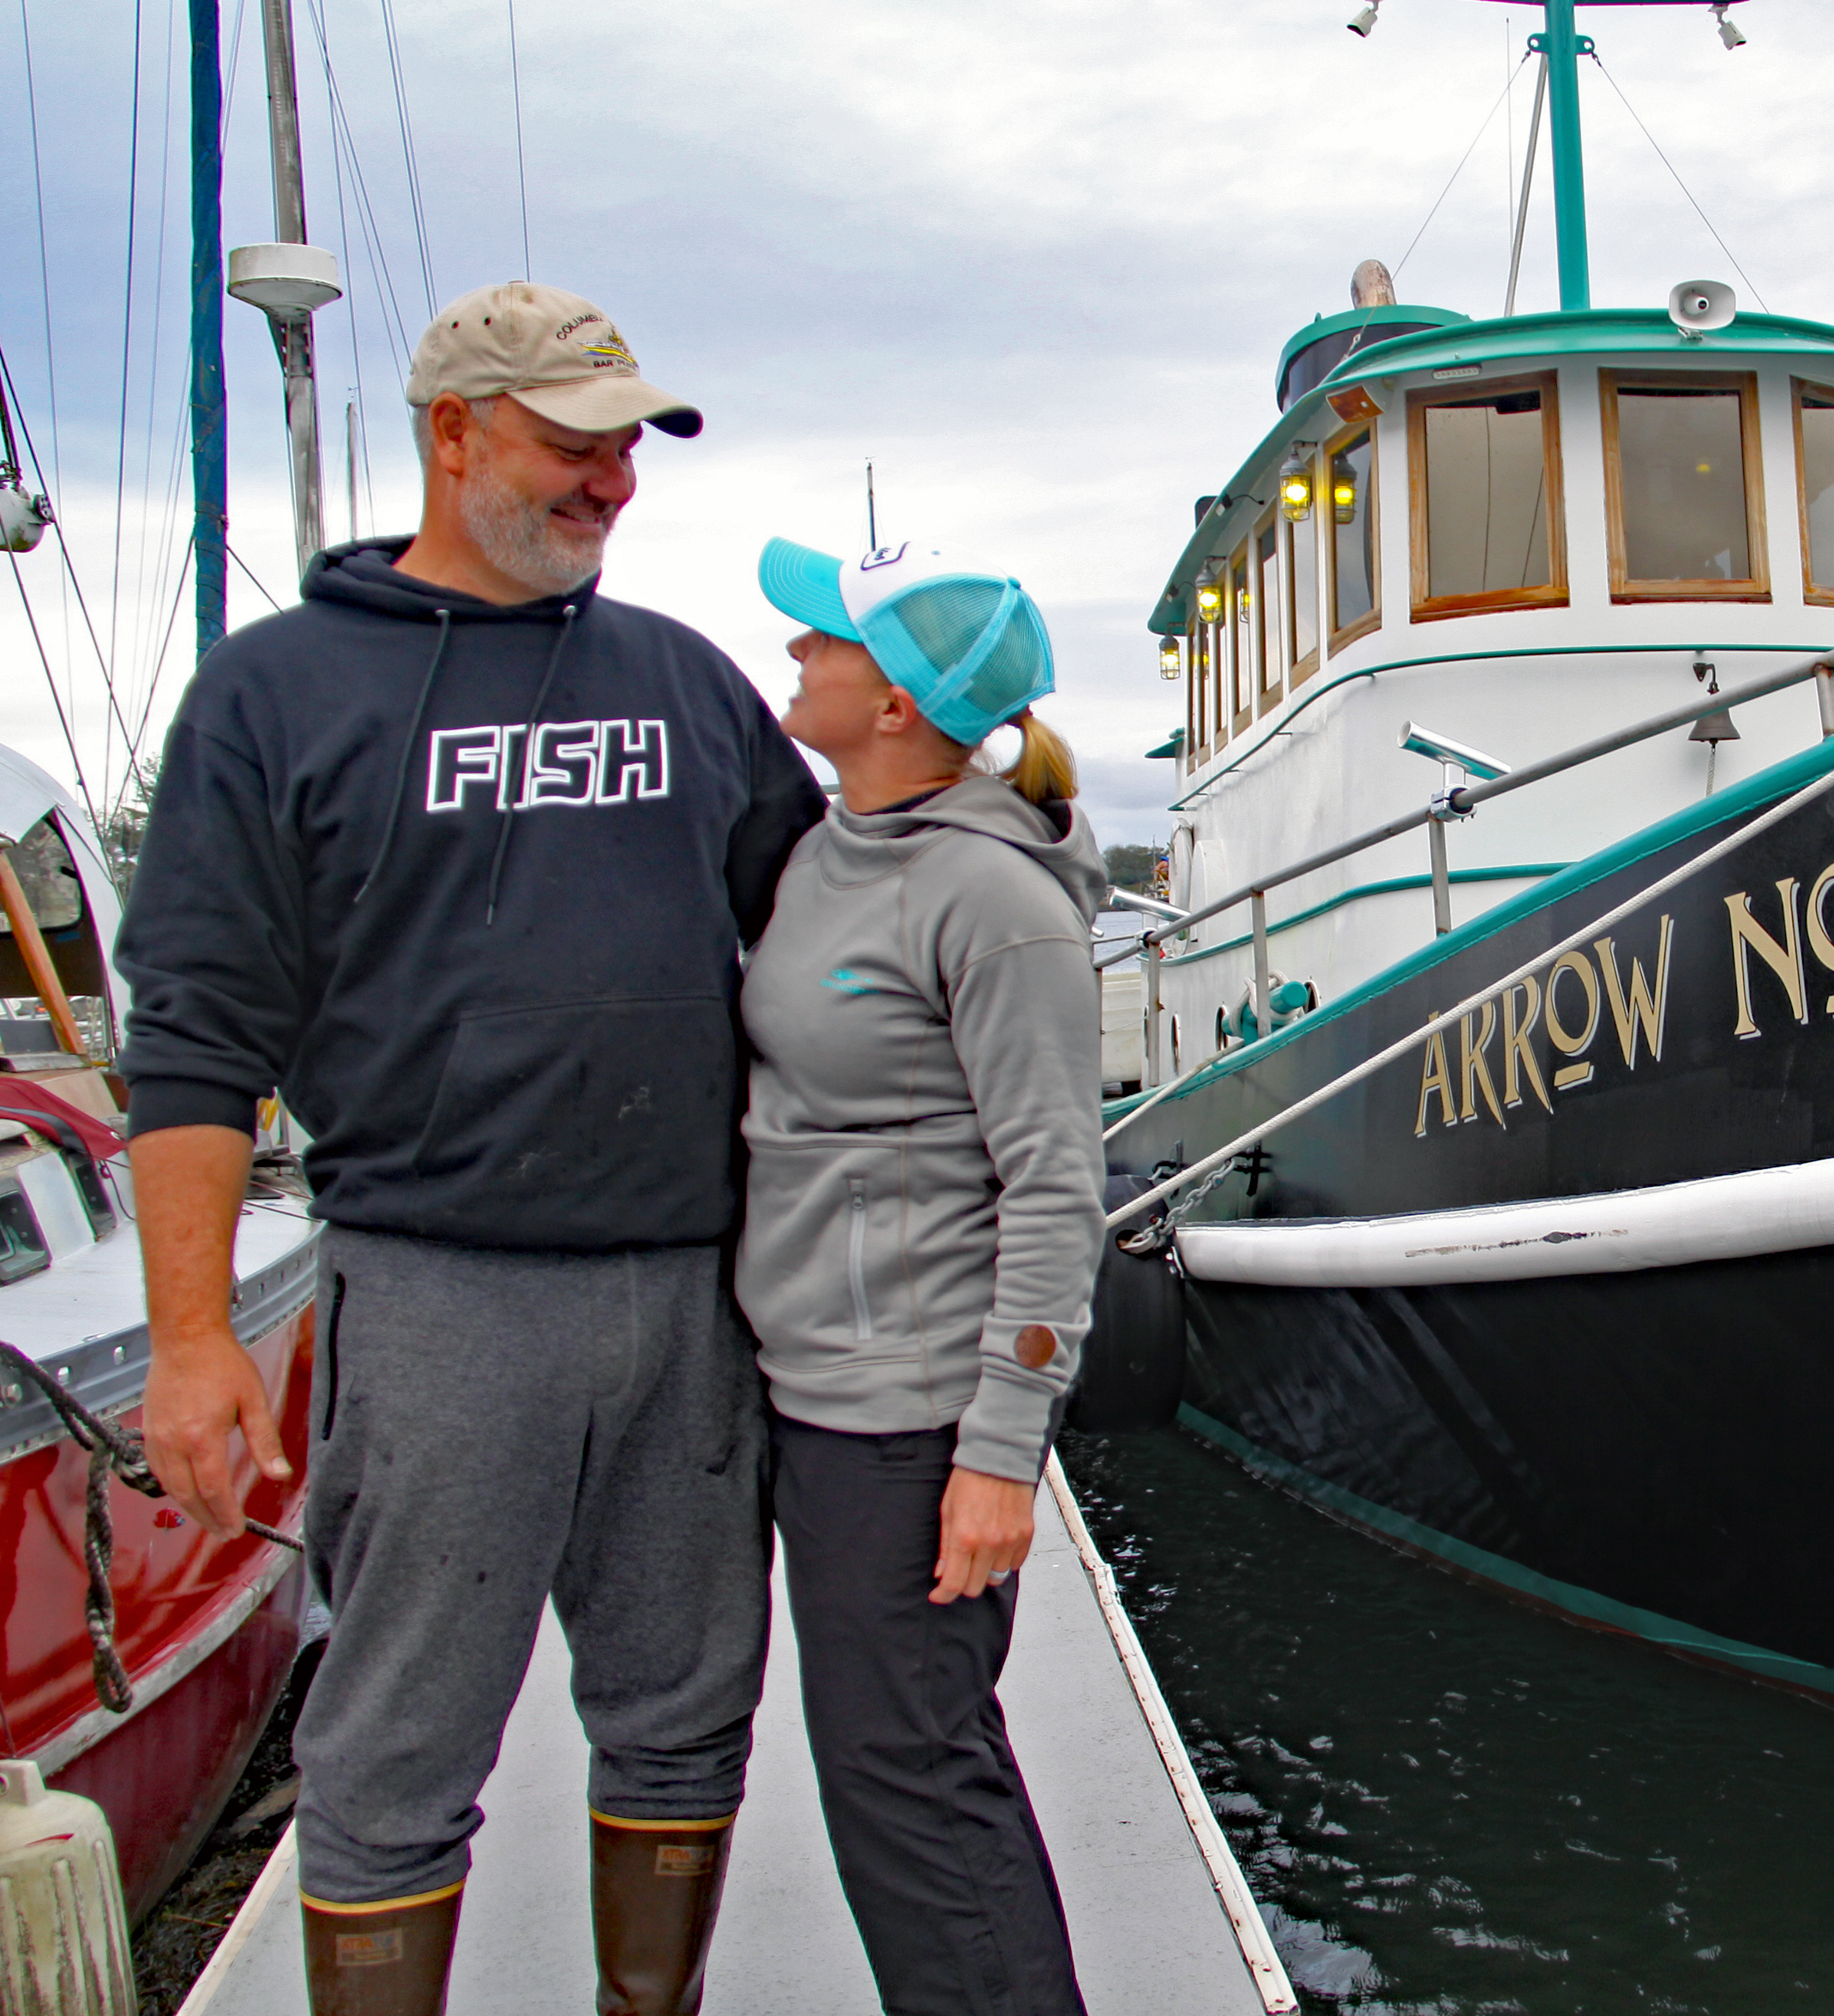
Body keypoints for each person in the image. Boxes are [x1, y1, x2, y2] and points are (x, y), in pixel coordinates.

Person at [118, 283, 825, 2015]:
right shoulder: (272, 696)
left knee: (685, 1714)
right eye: (576, 447)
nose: (612, 486)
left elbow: (825, 933)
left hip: (692, 1296)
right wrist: (196, 1341)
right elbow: (193, 1038)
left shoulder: (681, 680)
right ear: (455, 434)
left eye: (627, 453)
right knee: (398, 1744)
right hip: (439, 1300)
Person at [741, 535, 1104, 2013]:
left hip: (907, 1422)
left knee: (913, 1790)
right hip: (808, 1392)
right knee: (893, 1779)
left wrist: (1001, 1460)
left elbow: (1059, 1187)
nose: (797, 656)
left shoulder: (992, 898)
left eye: (826, 641)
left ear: (896, 703)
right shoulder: (829, 845)